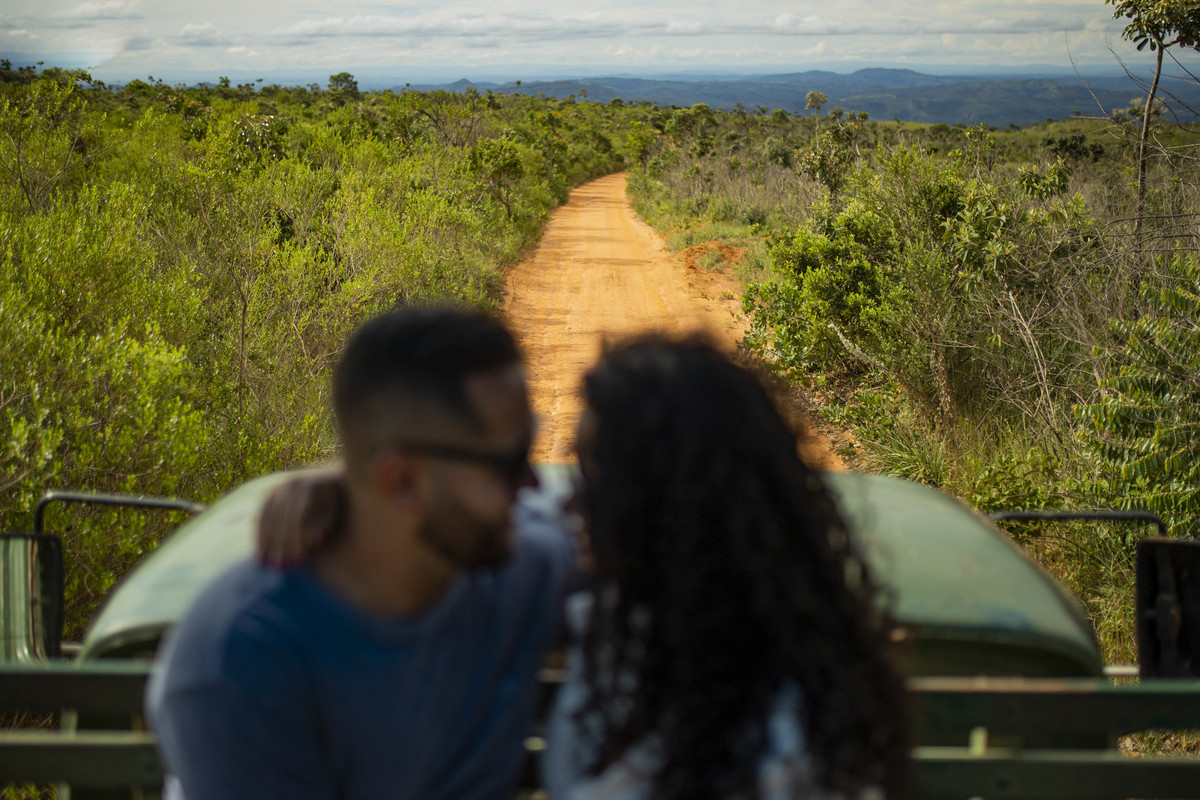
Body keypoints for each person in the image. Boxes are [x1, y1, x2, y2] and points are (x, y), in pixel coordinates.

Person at [148, 306, 577, 800]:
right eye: (510, 462)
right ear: (400, 482)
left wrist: (346, 482)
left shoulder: (519, 564)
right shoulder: (240, 659)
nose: (535, 482)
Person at [540, 335, 910, 800]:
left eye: (596, 477)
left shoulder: (785, 741)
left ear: (670, 504)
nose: (570, 501)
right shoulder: (631, 617)